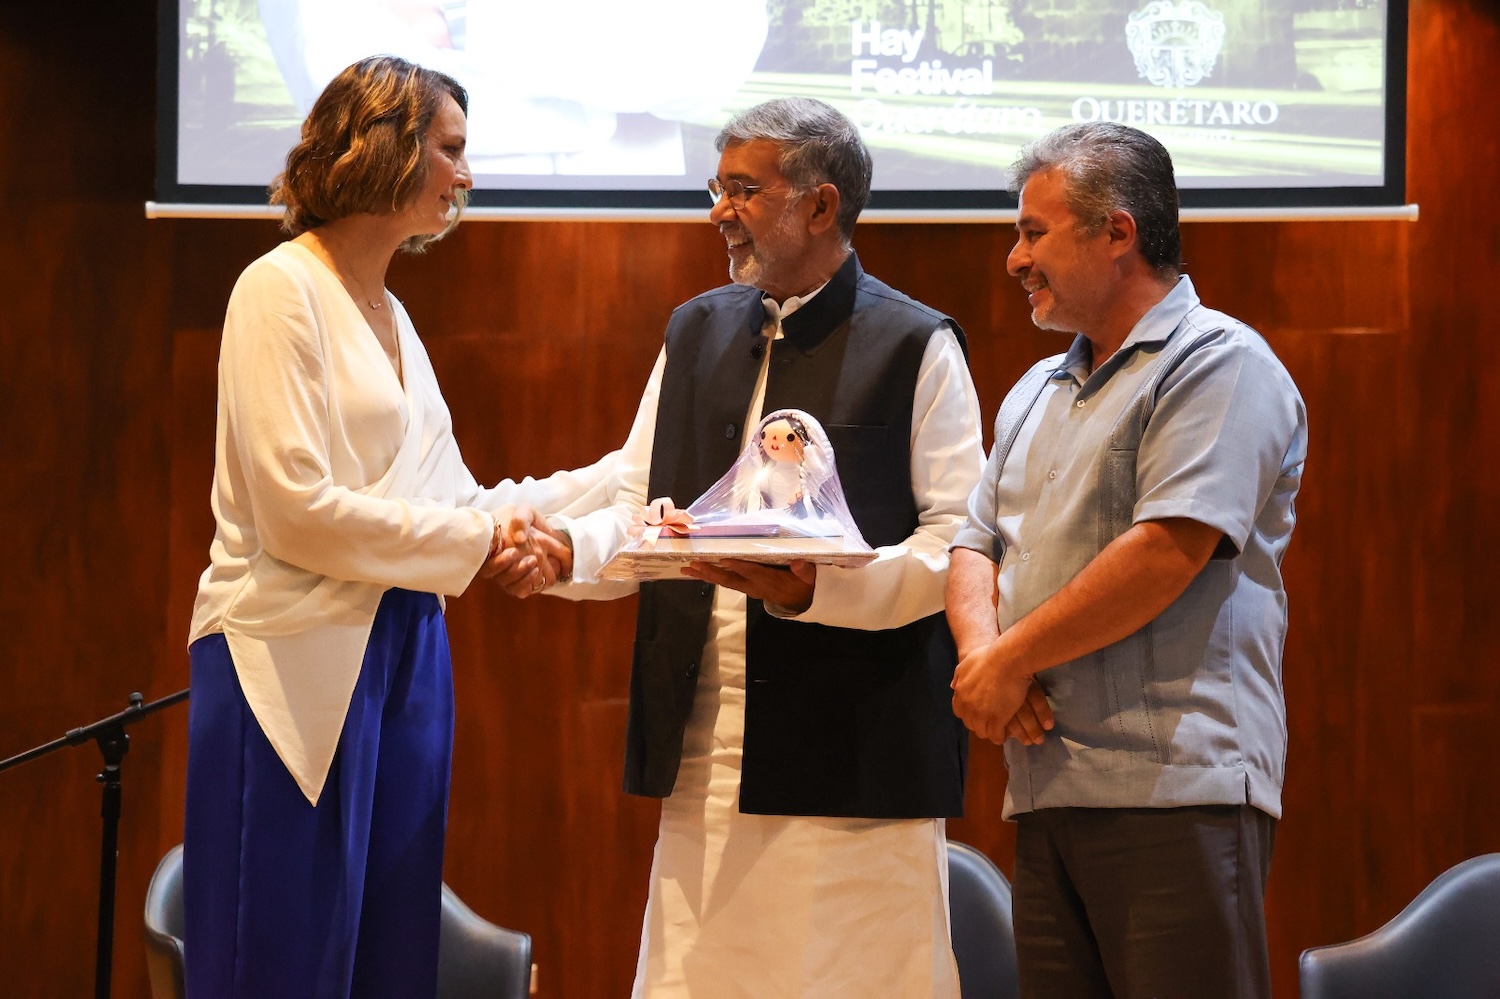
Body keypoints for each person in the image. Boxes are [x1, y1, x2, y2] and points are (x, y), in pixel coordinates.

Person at [527, 97, 985, 996]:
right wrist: (564, 554)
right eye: (717, 187)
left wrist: (817, 589)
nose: (718, 211)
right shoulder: (693, 330)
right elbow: (642, 509)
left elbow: (958, 545)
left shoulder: (917, 344)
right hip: (704, 757)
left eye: (743, 189)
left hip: (856, 758)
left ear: (820, 205)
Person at [181, 55, 610, 998]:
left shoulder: (394, 313)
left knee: (390, 957)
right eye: (451, 150)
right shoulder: (277, 288)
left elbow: (454, 500)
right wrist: (480, 542)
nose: (466, 175)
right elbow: (295, 513)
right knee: (280, 961)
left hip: (407, 643)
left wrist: (618, 485)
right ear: (385, 146)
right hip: (287, 655)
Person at [945, 121, 1308, 998]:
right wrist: (982, 659)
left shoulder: (1221, 362)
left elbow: (1167, 551)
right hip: (1048, 786)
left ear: (1117, 232)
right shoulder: (1034, 389)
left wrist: (1010, 657)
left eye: (1034, 232)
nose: (1014, 259)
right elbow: (973, 540)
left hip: (1177, 790)